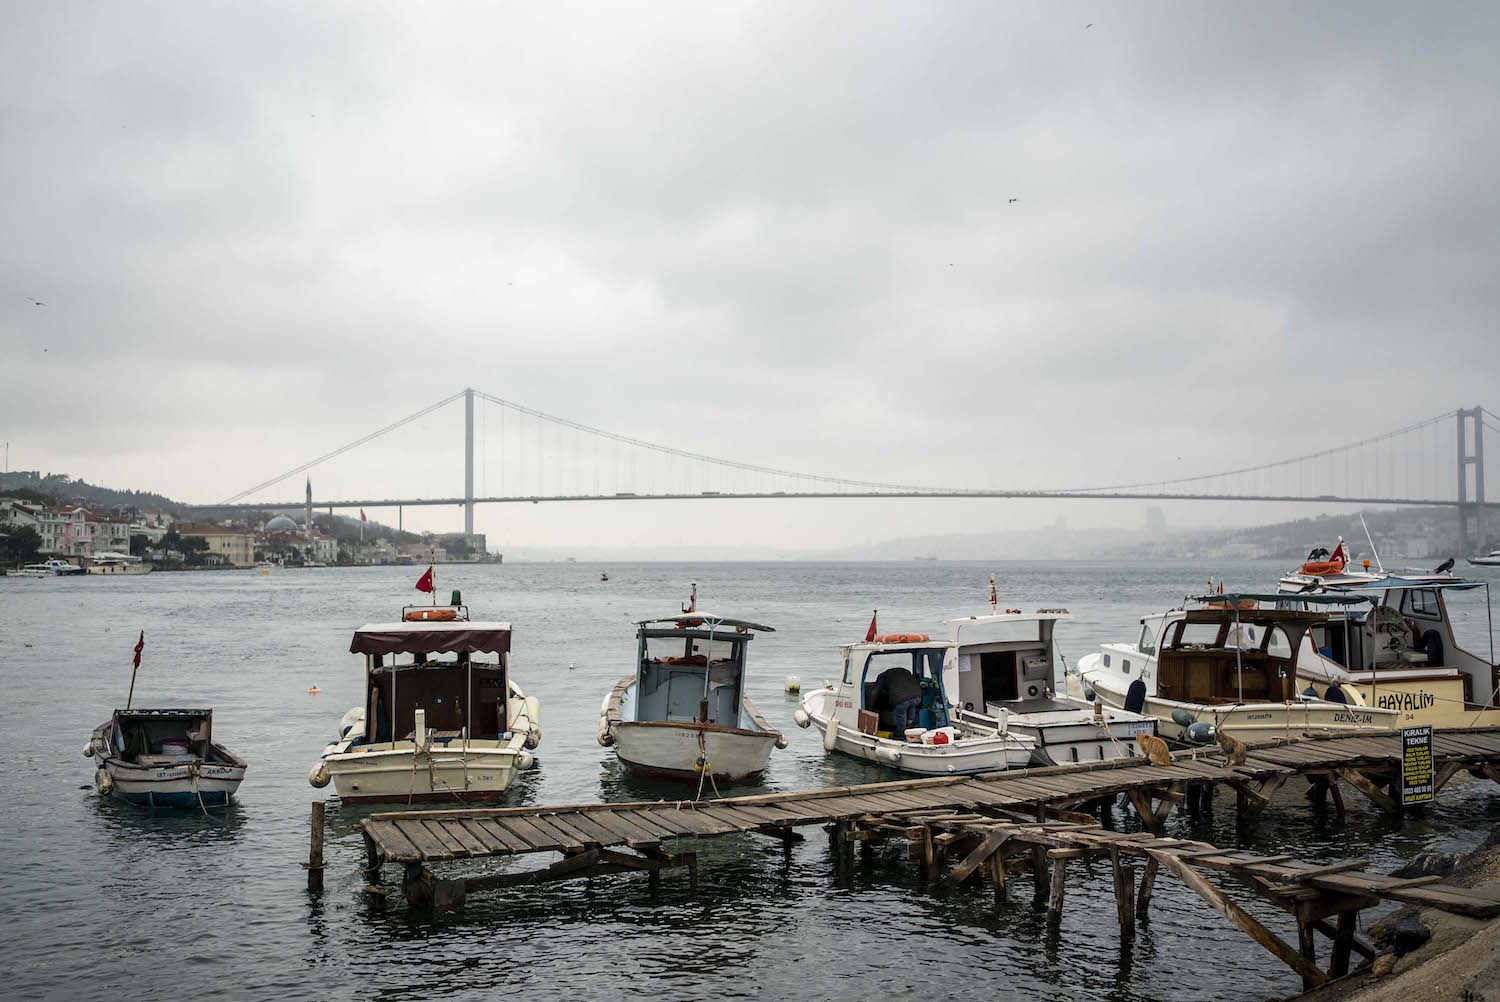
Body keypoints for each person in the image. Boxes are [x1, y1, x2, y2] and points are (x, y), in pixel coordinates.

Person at [869, 666, 924, 738]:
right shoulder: (905, 671)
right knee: (911, 705)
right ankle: (910, 725)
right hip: (917, 696)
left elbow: (874, 693)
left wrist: (870, 708)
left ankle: (899, 735)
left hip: (901, 699)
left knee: (901, 717)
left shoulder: (882, 677)